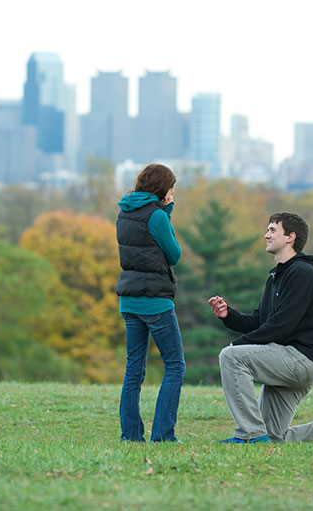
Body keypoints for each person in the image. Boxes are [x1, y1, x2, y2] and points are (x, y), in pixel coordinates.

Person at [207, 212, 313, 443]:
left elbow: (281, 327)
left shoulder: (302, 274)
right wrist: (229, 315)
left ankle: (249, 435)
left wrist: (235, 346)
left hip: (299, 359)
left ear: (290, 237)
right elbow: (262, 321)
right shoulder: (277, 277)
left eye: (272, 230)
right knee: (273, 437)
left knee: (231, 357)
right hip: (285, 359)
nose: (266, 235)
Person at [115, 163, 185, 442]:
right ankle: (163, 435)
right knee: (175, 366)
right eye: (172, 189)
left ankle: (130, 436)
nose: (173, 194)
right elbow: (174, 254)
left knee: (134, 370)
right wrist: (166, 213)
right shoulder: (156, 216)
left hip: (129, 301)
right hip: (155, 302)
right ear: (163, 190)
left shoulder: (124, 212)